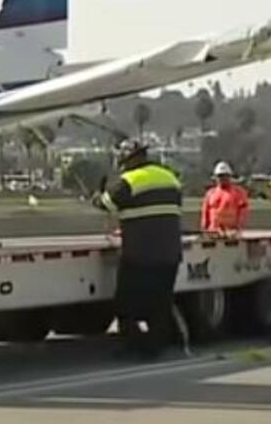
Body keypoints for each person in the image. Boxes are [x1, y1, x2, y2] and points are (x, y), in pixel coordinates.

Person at [100, 139, 183, 360]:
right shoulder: (169, 177)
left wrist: (100, 191)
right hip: (170, 253)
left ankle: (132, 345)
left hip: (141, 255)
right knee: (160, 304)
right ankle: (155, 348)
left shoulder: (128, 181)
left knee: (126, 303)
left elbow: (105, 203)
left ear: (128, 159)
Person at [201, 161, 249, 233]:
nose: (222, 178)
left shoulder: (239, 193)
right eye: (220, 176)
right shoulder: (210, 193)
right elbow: (205, 212)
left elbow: (243, 211)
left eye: (225, 175)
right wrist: (204, 228)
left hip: (232, 232)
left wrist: (238, 227)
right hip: (213, 231)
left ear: (229, 176)